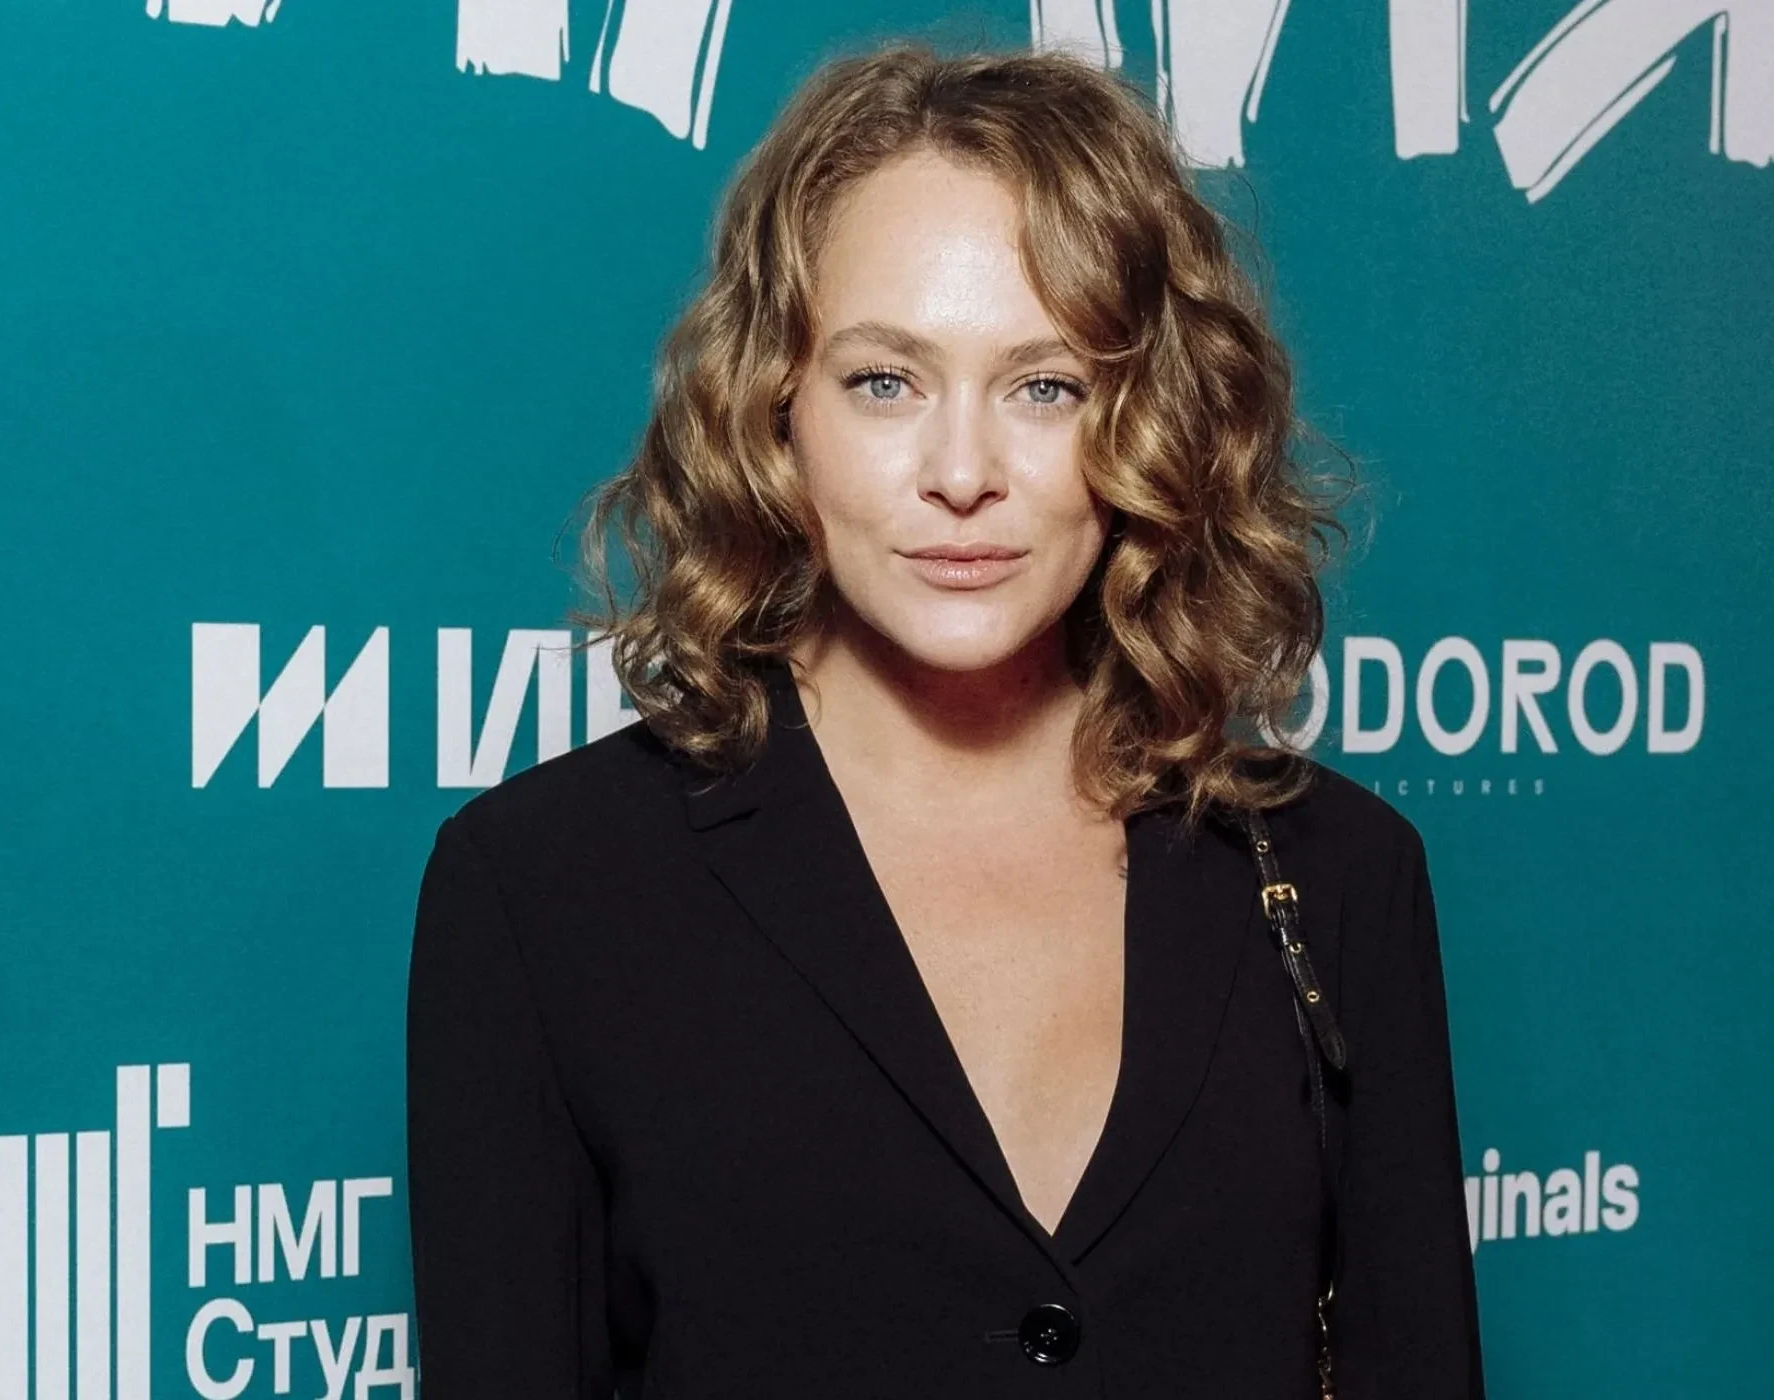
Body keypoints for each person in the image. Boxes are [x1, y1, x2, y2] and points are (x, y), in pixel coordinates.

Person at [405, 40, 1484, 1399]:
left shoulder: (1336, 874)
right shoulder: (544, 888)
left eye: (1046, 385)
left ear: (1149, 420)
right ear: (772, 411)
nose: (963, 473)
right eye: (885, 381)